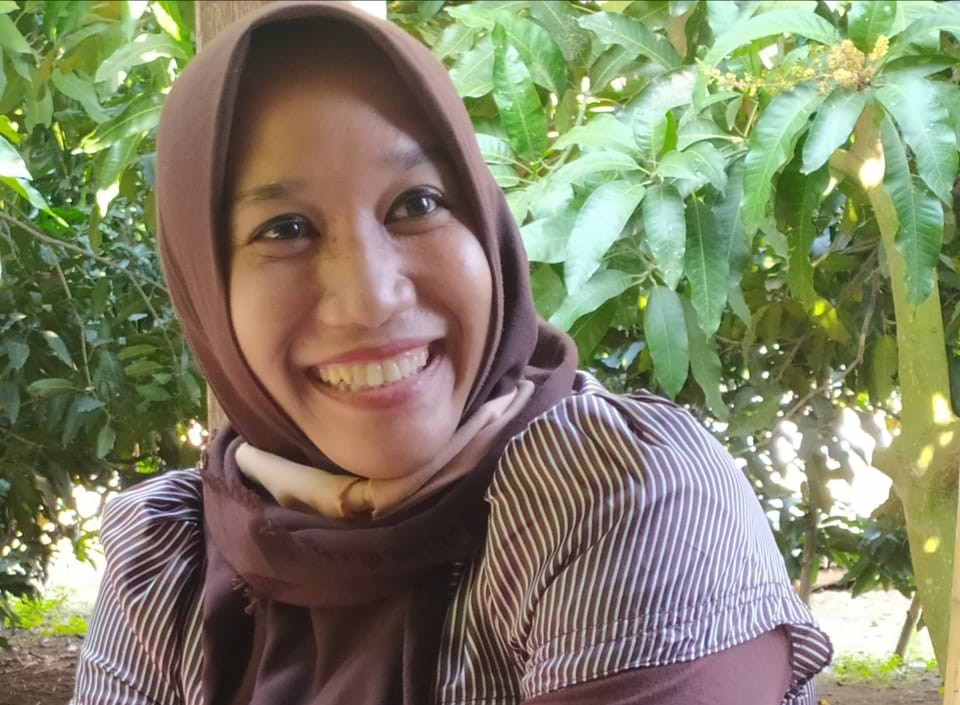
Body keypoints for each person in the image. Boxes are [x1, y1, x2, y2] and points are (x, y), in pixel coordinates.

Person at [71, 3, 832, 704]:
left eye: (417, 204)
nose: (370, 298)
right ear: (205, 287)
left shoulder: (618, 493)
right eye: (285, 229)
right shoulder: (169, 562)